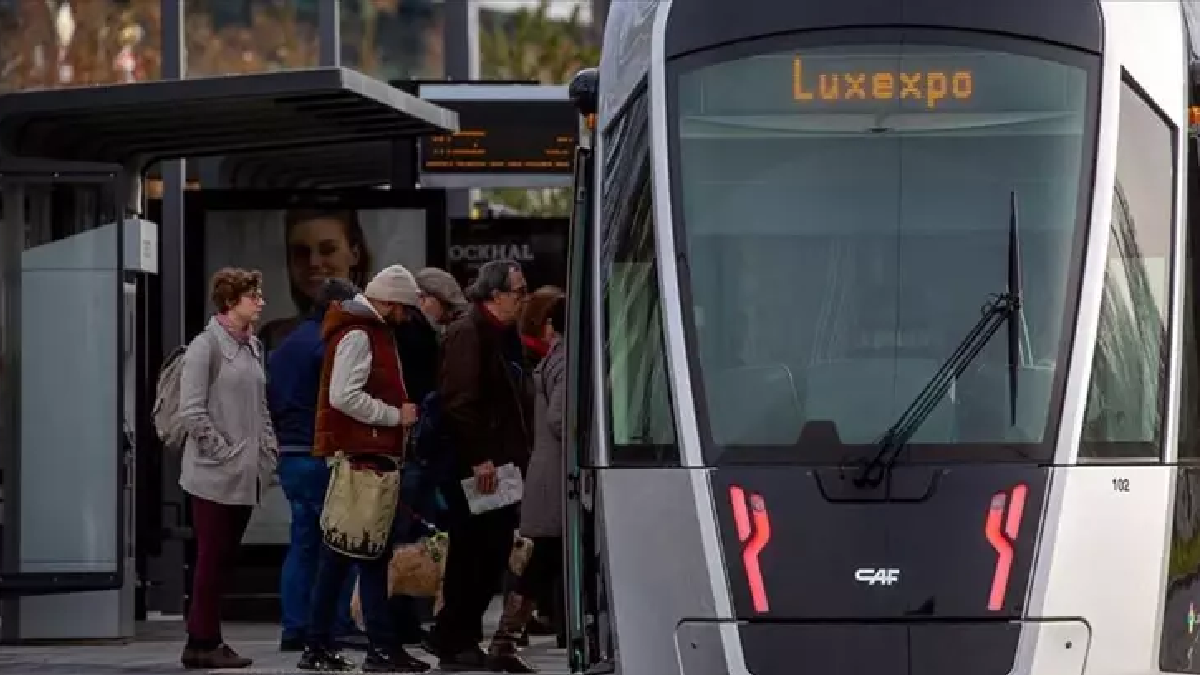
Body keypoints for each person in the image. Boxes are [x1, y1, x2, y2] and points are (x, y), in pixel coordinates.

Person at [298, 265, 430, 673]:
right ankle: (380, 648)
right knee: (368, 556)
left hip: (360, 458)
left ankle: (321, 646)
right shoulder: (360, 333)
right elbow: (343, 395)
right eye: (404, 309)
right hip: (362, 460)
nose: (406, 317)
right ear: (388, 302)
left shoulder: (362, 329)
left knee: (341, 556)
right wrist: (395, 416)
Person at [429, 259, 533, 672]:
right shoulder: (468, 333)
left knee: (492, 552)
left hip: (503, 463)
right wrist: (479, 457)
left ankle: (460, 634)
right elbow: (460, 402)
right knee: (474, 551)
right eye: (517, 292)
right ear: (494, 295)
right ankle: (454, 637)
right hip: (479, 466)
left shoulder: (503, 334)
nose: (523, 299)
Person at [178, 268, 279, 670]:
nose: (260, 301)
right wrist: (222, 452)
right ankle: (202, 641)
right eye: (253, 295)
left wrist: (268, 450)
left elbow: (261, 404)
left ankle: (207, 639)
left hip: (244, 472)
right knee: (211, 558)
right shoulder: (207, 347)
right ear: (230, 301)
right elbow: (192, 411)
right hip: (213, 474)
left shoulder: (251, 345)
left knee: (222, 560)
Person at [268, 278, 362, 652]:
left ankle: (295, 625)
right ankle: (335, 624)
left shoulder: (286, 344)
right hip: (322, 454)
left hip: (291, 455)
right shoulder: (329, 345)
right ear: (336, 307)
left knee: (302, 542)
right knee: (341, 543)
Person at [488, 289, 567, 672]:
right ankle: (505, 640)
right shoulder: (568, 361)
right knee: (544, 558)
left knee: (544, 559)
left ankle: (507, 637)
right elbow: (560, 418)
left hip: (548, 474)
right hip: (557, 478)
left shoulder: (555, 357)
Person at [260, 209, 373, 351]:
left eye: (328, 250)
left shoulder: (387, 331)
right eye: (301, 252)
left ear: (354, 255)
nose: (313, 262)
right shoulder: (273, 338)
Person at [415, 267, 469, 333]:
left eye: (423, 297)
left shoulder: (461, 329)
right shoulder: (448, 326)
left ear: (441, 296)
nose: (420, 304)